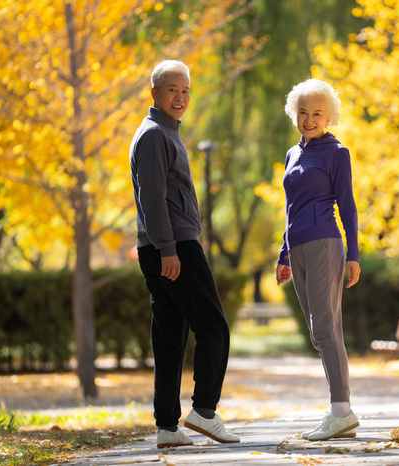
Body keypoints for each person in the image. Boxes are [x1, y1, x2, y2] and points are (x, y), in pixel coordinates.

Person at [130, 60, 239, 448]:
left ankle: (167, 427)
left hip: (164, 245)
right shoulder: (156, 135)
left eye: (186, 90)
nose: (180, 97)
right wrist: (168, 249)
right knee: (213, 327)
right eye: (172, 89)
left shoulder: (164, 133)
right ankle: (205, 411)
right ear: (154, 92)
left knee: (170, 336)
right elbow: (153, 198)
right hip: (173, 246)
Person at [275, 78, 361, 441]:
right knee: (318, 332)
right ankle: (340, 412)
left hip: (326, 243)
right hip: (298, 249)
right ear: (295, 114)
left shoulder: (336, 153)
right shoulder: (293, 154)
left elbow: (348, 205)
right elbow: (291, 208)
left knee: (326, 329)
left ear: (329, 117)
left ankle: (341, 411)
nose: (309, 119)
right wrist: (283, 253)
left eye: (317, 114)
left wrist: (354, 254)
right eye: (303, 112)